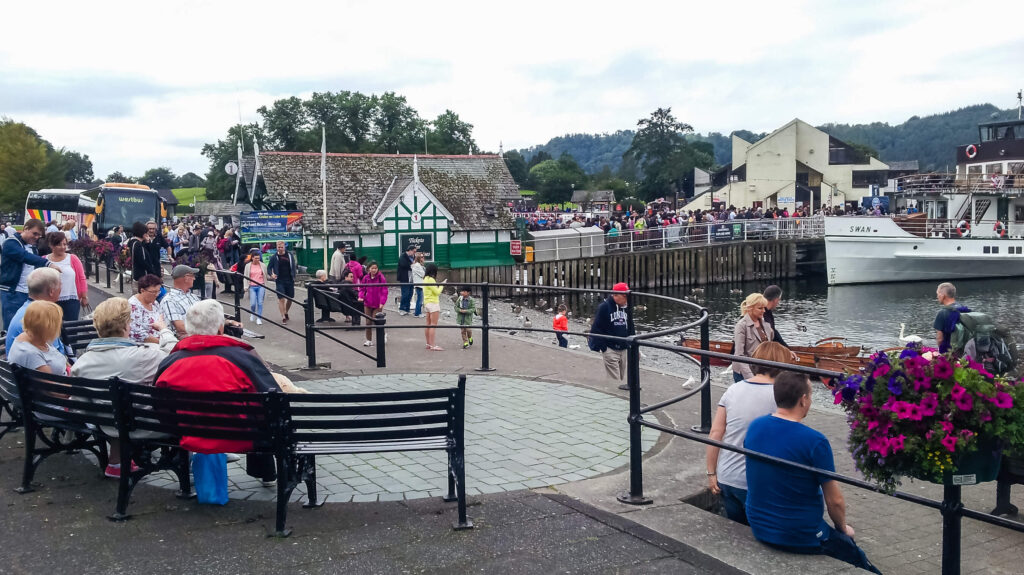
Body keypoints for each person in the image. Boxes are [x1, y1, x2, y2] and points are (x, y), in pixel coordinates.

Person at [744, 372, 882, 574]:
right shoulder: (815, 442)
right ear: (803, 400)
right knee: (859, 560)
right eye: (811, 395)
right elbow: (834, 501)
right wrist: (843, 528)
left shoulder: (755, 426)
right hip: (799, 533)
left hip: (759, 524)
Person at [155, 299, 283, 486]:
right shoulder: (242, 358)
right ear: (220, 329)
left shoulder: (170, 361)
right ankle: (265, 472)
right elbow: (274, 400)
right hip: (241, 436)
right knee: (263, 413)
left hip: (187, 433)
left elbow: (160, 405)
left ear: (189, 329)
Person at [71, 297, 176, 477]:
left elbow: (81, 406)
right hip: (145, 425)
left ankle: (117, 462)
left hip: (107, 424)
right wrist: (164, 330)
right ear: (126, 325)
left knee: (117, 407)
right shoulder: (143, 357)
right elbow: (175, 356)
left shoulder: (81, 364)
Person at [706, 341, 791, 524]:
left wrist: (711, 473)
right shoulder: (781, 396)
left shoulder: (733, 389)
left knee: (736, 528)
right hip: (757, 481)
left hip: (727, 475)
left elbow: (716, 433)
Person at [1, 218, 56, 330]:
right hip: (13, 292)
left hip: (29, 292)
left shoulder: (33, 247)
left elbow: (34, 265)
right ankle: (8, 347)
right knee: (12, 327)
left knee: (29, 326)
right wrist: (47, 263)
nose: (36, 237)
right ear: (26, 229)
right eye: (34, 233)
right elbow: (25, 256)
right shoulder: (10, 243)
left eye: (39, 235)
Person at [6, 268, 66, 355]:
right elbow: (55, 356)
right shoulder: (42, 317)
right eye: (60, 285)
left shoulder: (27, 310)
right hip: (35, 367)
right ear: (51, 291)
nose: (61, 288)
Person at [589, 283, 634, 390]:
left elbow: (631, 325)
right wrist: (604, 348)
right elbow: (596, 328)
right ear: (616, 295)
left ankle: (622, 399)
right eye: (624, 296)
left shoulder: (626, 306)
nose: (626, 299)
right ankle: (616, 399)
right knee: (614, 381)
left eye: (627, 296)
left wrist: (633, 343)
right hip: (610, 348)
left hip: (624, 347)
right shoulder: (604, 307)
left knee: (623, 377)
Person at [8, 301, 68, 378]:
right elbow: (51, 387)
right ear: (48, 327)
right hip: (61, 387)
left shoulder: (32, 337)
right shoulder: (31, 354)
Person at [44, 231, 88, 321]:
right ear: (52, 245)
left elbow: (82, 278)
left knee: (71, 330)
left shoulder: (73, 258)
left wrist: (84, 296)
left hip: (71, 300)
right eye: (59, 245)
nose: (63, 247)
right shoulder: (44, 260)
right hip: (51, 301)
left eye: (64, 244)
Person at [732, 293, 774, 383]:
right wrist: (751, 378)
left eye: (764, 308)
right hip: (744, 373)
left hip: (761, 371)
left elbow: (771, 344)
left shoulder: (766, 324)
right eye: (760, 308)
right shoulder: (741, 326)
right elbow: (739, 355)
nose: (764, 311)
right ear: (750, 308)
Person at [129, 274, 175, 345]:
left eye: (158, 291)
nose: (156, 295)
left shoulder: (155, 303)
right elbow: (138, 334)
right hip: (144, 346)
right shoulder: (133, 306)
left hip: (161, 341)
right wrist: (163, 343)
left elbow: (163, 321)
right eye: (153, 292)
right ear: (142, 290)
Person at [159, 265, 201, 338]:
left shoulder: (193, 297)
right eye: (193, 276)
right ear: (186, 278)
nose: (194, 279)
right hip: (183, 339)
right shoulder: (169, 300)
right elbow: (180, 328)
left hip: (198, 334)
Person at [357, 261, 388, 347]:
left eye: (375, 268)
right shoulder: (366, 278)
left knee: (376, 320)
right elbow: (362, 288)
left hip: (378, 304)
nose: (374, 270)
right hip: (368, 303)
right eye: (372, 268)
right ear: (369, 269)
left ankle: (383, 335)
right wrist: (361, 296)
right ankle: (368, 340)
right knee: (368, 322)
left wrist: (382, 302)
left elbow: (384, 291)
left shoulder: (381, 278)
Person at [934, 282, 968, 354]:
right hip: (963, 351)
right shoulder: (963, 308)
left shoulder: (942, 313)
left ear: (943, 295)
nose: (937, 296)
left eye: (937, 294)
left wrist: (940, 352)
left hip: (950, 353)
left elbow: (940, 339)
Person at [267, 241, 296, 324]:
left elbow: (293, 265)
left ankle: (286, 312)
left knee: (290, 298)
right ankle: (283, 316)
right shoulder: (274, 257)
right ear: (276, 247)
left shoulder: (290, 255)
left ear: (284, 247)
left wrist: (294, 275)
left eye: (281, 247)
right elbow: (269, 268)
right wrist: (272, 274)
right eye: (278, 247)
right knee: (281, 298)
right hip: (279, 280)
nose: (280, 249)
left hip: (289, 279)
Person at [421, 263, 445, 350]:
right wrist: (442, 285)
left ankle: (428, 344)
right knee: (433, 325)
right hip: (433, 303)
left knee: (428, 324)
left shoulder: (425, 279)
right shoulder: (431, 279)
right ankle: (433, 345)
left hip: (427, 303)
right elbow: (437, 292)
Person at [243, 248, 267, 325]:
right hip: (252, 286)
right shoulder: (248, 266)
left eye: (258, 258)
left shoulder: (262, 265)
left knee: (260, 302)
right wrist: (245, 286)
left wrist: (272, 276)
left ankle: (259, 318)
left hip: (261, 285)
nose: (257, 260)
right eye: (256, 258)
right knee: (253, 303)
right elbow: (246, 276)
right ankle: (252, 313)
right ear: (252, 258)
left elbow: (266, 275)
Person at [397, 244, 416, 315]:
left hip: (411, 278)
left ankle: (407, 308)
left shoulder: (412, 257)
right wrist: (412, 264)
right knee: (405, 293)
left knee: (410, 293)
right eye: (414, 251)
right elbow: (404, 265)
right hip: (404, 278)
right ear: (410, 250)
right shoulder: (403, 256)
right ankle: (402, 308)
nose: (414, 253)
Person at [411, 253, 426, 318]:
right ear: (419, 258)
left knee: (419, 298)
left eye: (423, 257)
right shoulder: (417, 265)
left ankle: (418, 311)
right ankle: (417, 313)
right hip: (419, 284)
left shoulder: (419, 265)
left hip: (419, 283)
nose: (423, 258)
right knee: (420, 299)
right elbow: (423, 274)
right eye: (422, 257)